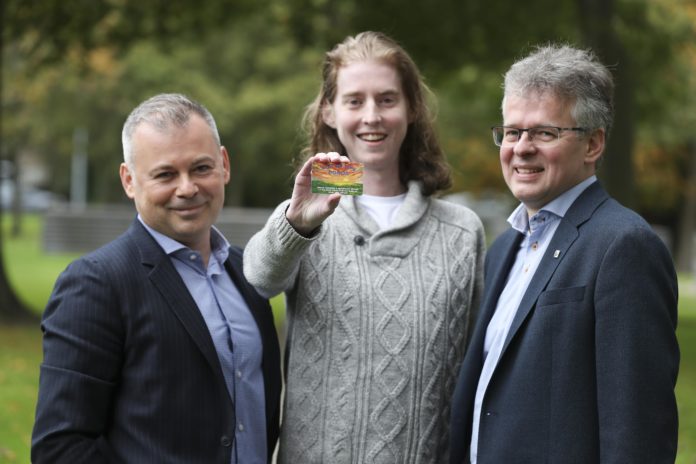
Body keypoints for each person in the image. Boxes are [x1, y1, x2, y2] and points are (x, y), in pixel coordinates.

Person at [243, 31, 485, 463]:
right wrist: (295, 225)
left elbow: (474, 367)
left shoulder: (461, 231)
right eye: (354, 101)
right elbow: (260, 279)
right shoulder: (306, 215)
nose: (371, 116)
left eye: (387, 99)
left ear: (411, 108)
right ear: (329, 112)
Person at [449, 44, 680, 463]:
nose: (521, 148)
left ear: (593, 144)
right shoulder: (503, 247)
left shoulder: (623, 245)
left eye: (544, 132)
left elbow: (638, 429)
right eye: (512, 132)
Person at [31, 93, 281, 463]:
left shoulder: (250, 272)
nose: (187, 188)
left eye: (201, 168)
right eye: (166, 174)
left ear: (224, 165)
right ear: (129, 181)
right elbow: (61, 448)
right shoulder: (95, 283)